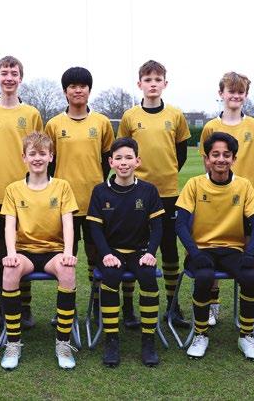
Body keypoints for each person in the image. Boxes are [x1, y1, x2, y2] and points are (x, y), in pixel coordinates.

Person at [175, 132, 254, 360]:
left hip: (232, 250)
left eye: (226, 155)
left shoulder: (243, 185)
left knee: (250, 277)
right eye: (215, 154)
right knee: (204, 277)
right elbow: (181, 224)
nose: (221, 159)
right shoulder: (194, 184)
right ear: (207, 158)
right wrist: (194, 252)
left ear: (234, 159)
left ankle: (246, 335)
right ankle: (200, 334)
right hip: (201, 250)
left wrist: (250, 254)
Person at [118, 60, 190, 327]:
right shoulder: (130, 116)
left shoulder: (176, 115)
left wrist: (167, 173)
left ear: (165, 84)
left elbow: (180, 153)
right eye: (148, 80)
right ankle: (127, 308)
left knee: (169, 249)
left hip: (168, 193)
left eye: (157, 80)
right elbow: (123, 151)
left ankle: (173, 307)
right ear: (140, 84)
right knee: (130, 247)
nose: (153, 84)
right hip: (135, 192)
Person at [0, 132, 79, 370]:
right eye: (32, 154)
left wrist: (68, 252)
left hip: (54, 251)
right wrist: (11, 253)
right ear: (24, 157)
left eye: (42, 153)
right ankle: (13, 343)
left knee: (67, 271)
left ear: (51, 156)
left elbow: (68, 223)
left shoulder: (62, 186)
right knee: (9, 271)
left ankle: (63, 343)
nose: (37, 158)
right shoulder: (13, 189)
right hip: (24, 251)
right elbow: (9, 225)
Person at [0, 56, 43, 329]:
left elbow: (38, 151)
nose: (9, 77)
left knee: (23, 252)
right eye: (4, 73)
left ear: (20, 78)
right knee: (2, 254)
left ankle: (23, 307)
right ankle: (2, 307)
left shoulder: (32, 114)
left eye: (14, 73)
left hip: (26, 195)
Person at [44, 66, 115, 325]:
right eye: (72, 86)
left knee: (98, 256)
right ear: (65, 91)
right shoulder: (54, 124)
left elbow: (107, 161)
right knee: (66, 257)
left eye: (82, 86)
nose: (78, 90)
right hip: (65, 204)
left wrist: (97, 184)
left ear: (89, 90)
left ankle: (98, 304)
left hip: (96, 203)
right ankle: (66, 308)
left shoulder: (102, 123)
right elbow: (49, 164)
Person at [199, 71, 254, 327]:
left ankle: (253, 307)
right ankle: (212, 305)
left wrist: (242, 184)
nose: (236, 96)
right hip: (217, 200)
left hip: (246, 200)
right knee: (213, 248)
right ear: (221, 94)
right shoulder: (210, 126)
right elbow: (206, 160)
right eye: (231, 91)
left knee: (250, 252)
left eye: (241, 92)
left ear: (246, 95)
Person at [87, 137, 164, 367]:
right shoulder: (100, 191)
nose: (123, 162)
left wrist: (151, 252)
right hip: (112, 251)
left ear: (137, 161)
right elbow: (95, 229)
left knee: (148, 277)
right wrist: (105, 254)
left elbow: (157, 227)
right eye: (118, 158)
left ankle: (148, 341)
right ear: (110, 162)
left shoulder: (148, 190)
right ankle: (111, 340)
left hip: (140, 250)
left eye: (129, 158)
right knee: (110, 276)